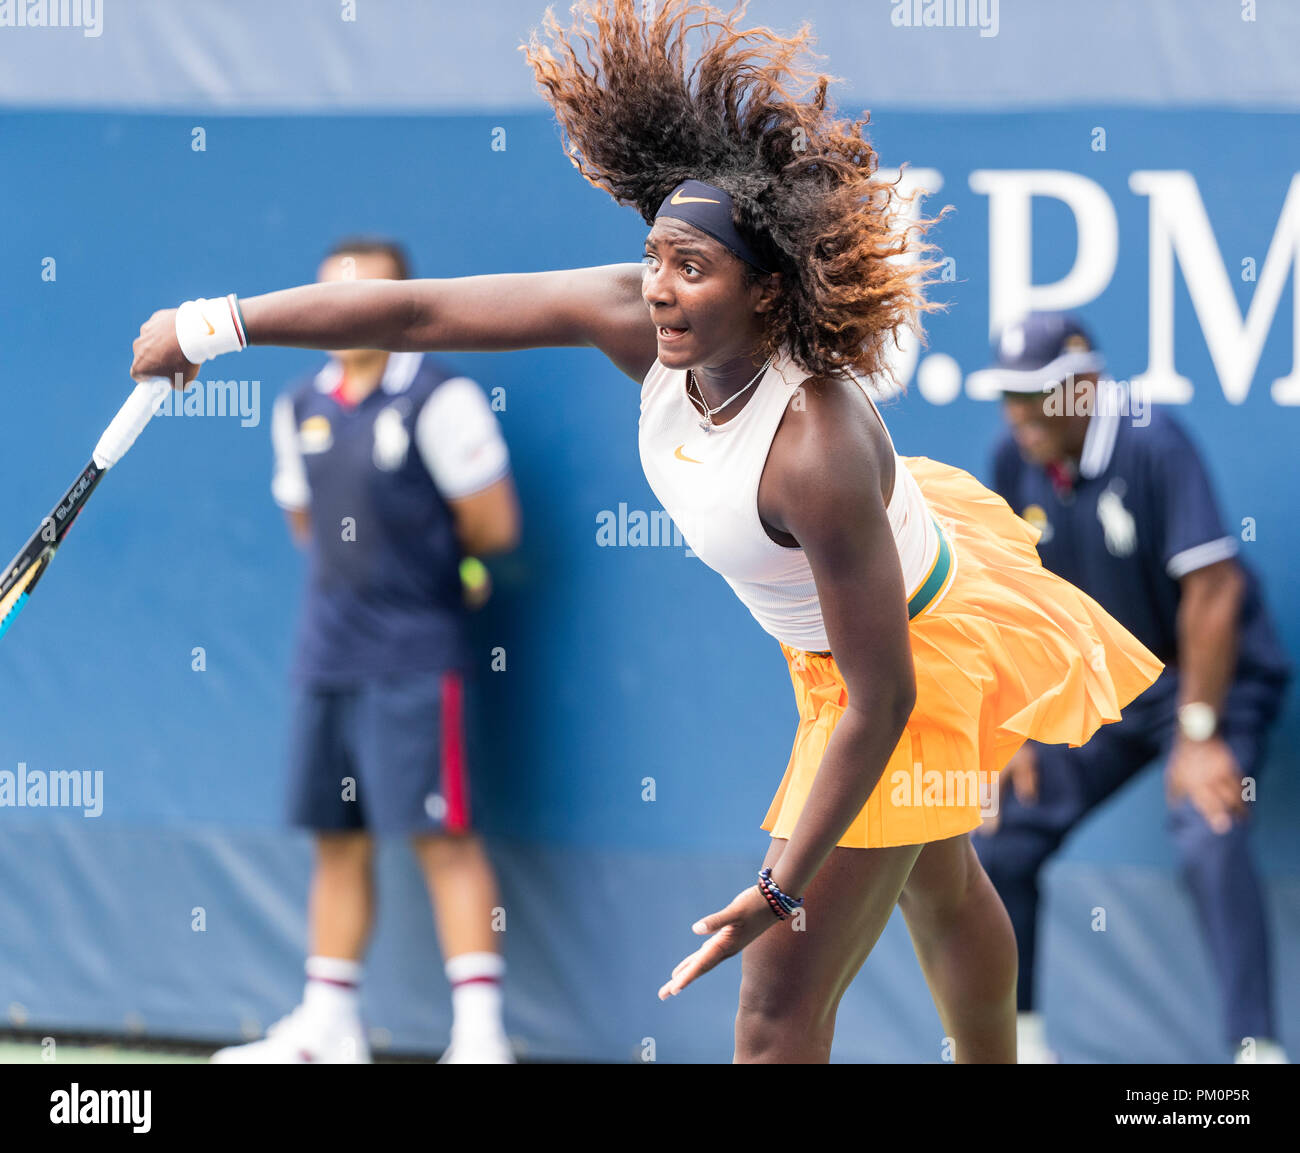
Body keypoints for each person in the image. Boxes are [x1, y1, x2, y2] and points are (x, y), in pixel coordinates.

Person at [131, 1, 1163, 1064]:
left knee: (772, 1010)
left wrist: (778, 885)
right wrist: (218, 323)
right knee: (941, 883)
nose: (659, 288)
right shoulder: (643, 318)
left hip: (899, 660)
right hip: (857, 638)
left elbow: (884, 698)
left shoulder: (815, 445)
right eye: (655, 256)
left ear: (767, 293)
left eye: (692, 268)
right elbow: (423, 314)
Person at [212, 238, 521, 1064]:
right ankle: (328, 1024)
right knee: (335, 838)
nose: (344, 316)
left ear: (401, 306)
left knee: (444, 838)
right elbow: (308, 524)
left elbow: (492, 527)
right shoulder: (297, 402)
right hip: (327, 653)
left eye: (366, 298)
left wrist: (441, 569)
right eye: (331, 300)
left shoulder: (442, 397)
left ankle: (482, 1039)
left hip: (419, 653)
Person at [974, 312, 1292, 1064]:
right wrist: (1009, 726)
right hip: (1108, 683)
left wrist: (1203, 730)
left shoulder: (1155, 441)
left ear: (1085, 387)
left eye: (1036, 394)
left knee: (1211, 829)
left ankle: (1258, 1051)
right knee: (1001, 830)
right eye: (1010, 394)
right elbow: (1019, 604)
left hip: (1212, 678)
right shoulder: (1013, 459)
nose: (1019, 413)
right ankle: (1018, 1044)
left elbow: (1212, 590)